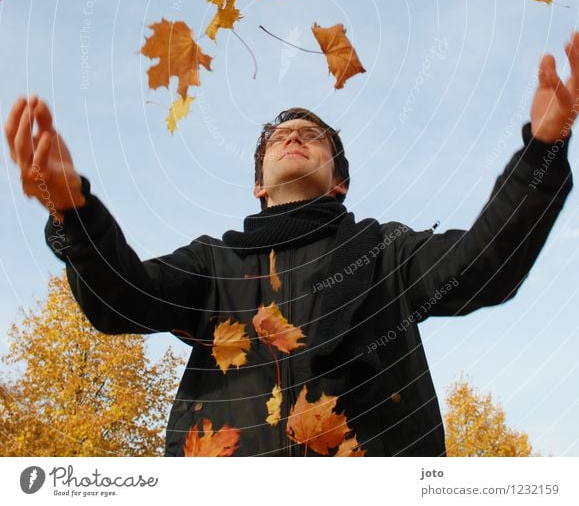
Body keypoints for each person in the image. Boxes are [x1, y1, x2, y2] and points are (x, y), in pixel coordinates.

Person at [5, 32, 579, 456]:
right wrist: (73, 212)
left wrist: (542, 150)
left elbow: (483, 265)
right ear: (258, 183)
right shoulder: (215, 266)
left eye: (312, 137)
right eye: (281, 138)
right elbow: (119, 300)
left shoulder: (386, 252)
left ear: (339, 179)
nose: (294, 139)